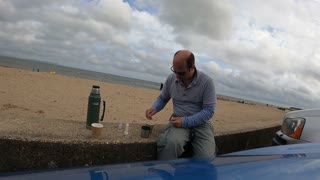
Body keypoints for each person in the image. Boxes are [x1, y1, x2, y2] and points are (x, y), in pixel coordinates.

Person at [145, 50, 216, 160]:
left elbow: (209, 111)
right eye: (174, 70)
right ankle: (164, 172)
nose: (177, 76)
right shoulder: (171, 78)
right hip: (178, 121)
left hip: (201, 124)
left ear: (192, 67)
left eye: (181, 73)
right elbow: (163, 98)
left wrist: (186, 121)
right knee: (171, 144)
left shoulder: (207, 82)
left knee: (206, 157)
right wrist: (155, 108)